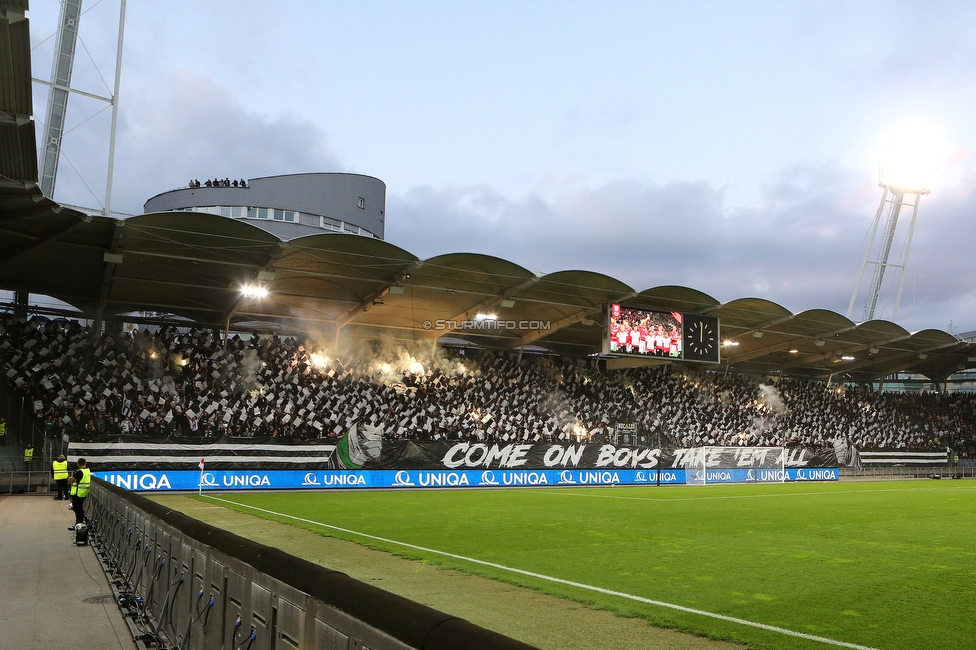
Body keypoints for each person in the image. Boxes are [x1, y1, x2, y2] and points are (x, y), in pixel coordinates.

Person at [67, 458, 91, 529]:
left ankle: (79, 524)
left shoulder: (79, 472)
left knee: (77, 509)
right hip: (84, 492)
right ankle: (80, 523)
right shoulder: (87, 471)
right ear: (85, 463)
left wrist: (70, 477)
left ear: (77, 464)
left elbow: (71, 479)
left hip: (78, 493)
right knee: (79, 508)